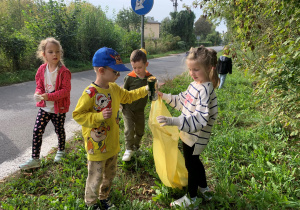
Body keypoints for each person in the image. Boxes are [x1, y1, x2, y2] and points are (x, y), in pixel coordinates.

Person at [72, 47, 149, 210]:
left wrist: (146, 89)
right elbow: (78, 115)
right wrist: (98, 117)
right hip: (97, 147)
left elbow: (128, 96)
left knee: (109, 175)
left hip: (112, 145)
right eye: (115, 72)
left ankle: (103, 197)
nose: (118, 75)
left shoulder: (114, 88)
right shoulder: (90, 93)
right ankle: (91, 203)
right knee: (96, 176)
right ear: (101, 70)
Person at [156, 46, 219, 209]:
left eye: (196, 69)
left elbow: (199, 118)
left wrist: (173, 121)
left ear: (208, 68)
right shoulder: (195, 85)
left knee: (191, 165)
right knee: (195, 162)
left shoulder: (205, 89)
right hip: (188, 134)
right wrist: (165, 96)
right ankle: (204, 189)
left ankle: (192, 199)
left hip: (195, 137)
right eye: (190, 69)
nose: (192, 73)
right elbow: (182, 100)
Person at [19, 37, 71, 170]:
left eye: (57, 51)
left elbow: (65, 91)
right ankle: (35, 158)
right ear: (44, 55)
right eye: (51, 52)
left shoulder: (64, 72)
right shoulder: (41, 70)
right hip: (45, 108)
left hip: (58, 109)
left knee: (59, 130)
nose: (55, 54)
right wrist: (37, 94)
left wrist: (48, 96)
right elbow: (39, 86)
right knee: (37, 130)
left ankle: (61, 151)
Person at [121, 49, 152, 161]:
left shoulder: (150, 78)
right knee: (129, 129)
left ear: (146, 64)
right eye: (134, 68)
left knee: (140, 130)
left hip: (140, 109)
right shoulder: (129, 78)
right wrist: (120, 105)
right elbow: (123, 93)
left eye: (140, 67)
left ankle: (136, 147)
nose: (137, 70)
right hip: (128, 108)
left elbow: (152, 93)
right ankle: (128, 149)